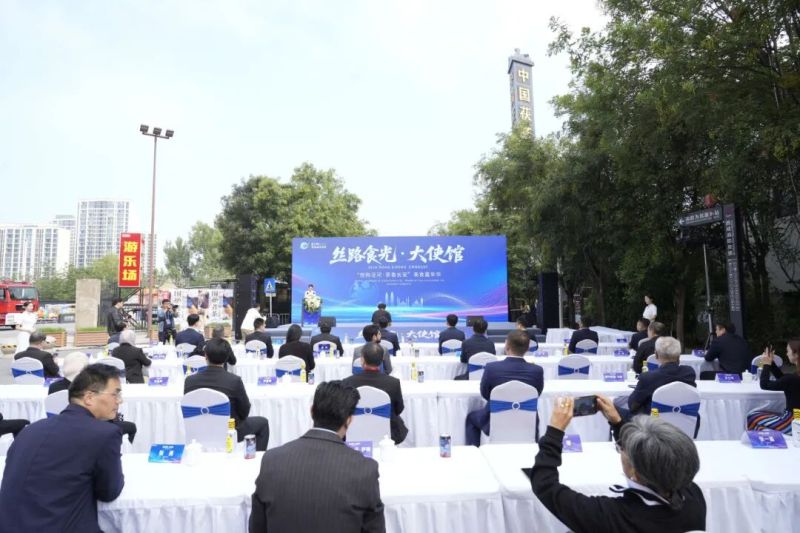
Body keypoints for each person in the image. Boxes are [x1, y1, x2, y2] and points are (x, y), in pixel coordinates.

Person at [531, 397, 706, 533]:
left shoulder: (612, 516)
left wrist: (555, 431)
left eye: (622, 448)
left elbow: (545, 485)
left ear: (635, 473)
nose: (621, 448)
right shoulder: (694, 497)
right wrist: (617, 422)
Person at [0, 364, 125, 532]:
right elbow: (109, 492)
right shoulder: (104, 434)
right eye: (115, 394)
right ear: (89, 397)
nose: (119, 400)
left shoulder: (30, 430)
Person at [248, 381, 385, 533]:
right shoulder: (365, 469)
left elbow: (257, 527)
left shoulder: (272, 460)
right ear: (349, 420)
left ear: (312, 411)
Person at [185, 337, 270, 450]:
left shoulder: (189, 381)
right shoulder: (234, 381)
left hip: (198, 431)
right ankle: (256, 459)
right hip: (229, 431)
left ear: (205, 356)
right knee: (263, 423)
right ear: (227, 358)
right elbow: (244, 411)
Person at [465, 330, 544, 446]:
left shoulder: (492, 368)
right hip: (528, 421)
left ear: (506, 346)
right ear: (527, 348)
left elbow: (485, 394)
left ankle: (475, 452)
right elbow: (536, 394)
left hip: (494, 419)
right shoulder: (537, 370)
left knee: (471, 418)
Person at [48, 353, 138, 443]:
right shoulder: (88, 387)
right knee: (130, 427)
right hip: (94, 425)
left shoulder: (53, 387)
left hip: (61, 426)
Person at [342, 342, 408, 444]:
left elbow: (344, 410)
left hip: (353, 430)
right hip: (388, 434)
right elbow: (399, 409)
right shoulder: (393, 383)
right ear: (382, 360)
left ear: (362, 359)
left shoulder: (347, 383)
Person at [624, 336, 696, 417]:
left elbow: (632, 405)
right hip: (684, 420)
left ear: (656, 355)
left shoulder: (648, 378)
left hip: (654, 422)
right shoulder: (689, 373)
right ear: (679, 356)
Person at [747, 339, 800, 434]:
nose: (787, 354)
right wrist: (771, 363)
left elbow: (764, 385)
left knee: (752, 417)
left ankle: (761, 439)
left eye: (788, 351)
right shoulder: (794, 377)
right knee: (761, 422)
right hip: (796, 417)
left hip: (793, 422)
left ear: (796, 354)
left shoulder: (792, 378)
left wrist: (766, 365)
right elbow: (783, 380)